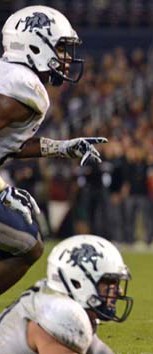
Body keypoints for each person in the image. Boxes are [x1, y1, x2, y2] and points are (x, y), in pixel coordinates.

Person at [0, 5, 108, 295]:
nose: (66, 58)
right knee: (27, 244)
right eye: (61, 48)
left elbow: (8, 144)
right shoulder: (22, 87)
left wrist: (61, 148)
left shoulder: (13, 78)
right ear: (34, 43)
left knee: (29, 243)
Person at [0, 234, 133, 353]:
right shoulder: (59, 313)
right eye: (109, 282)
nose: (118, 291)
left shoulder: (57, 302)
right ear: (77, 282)